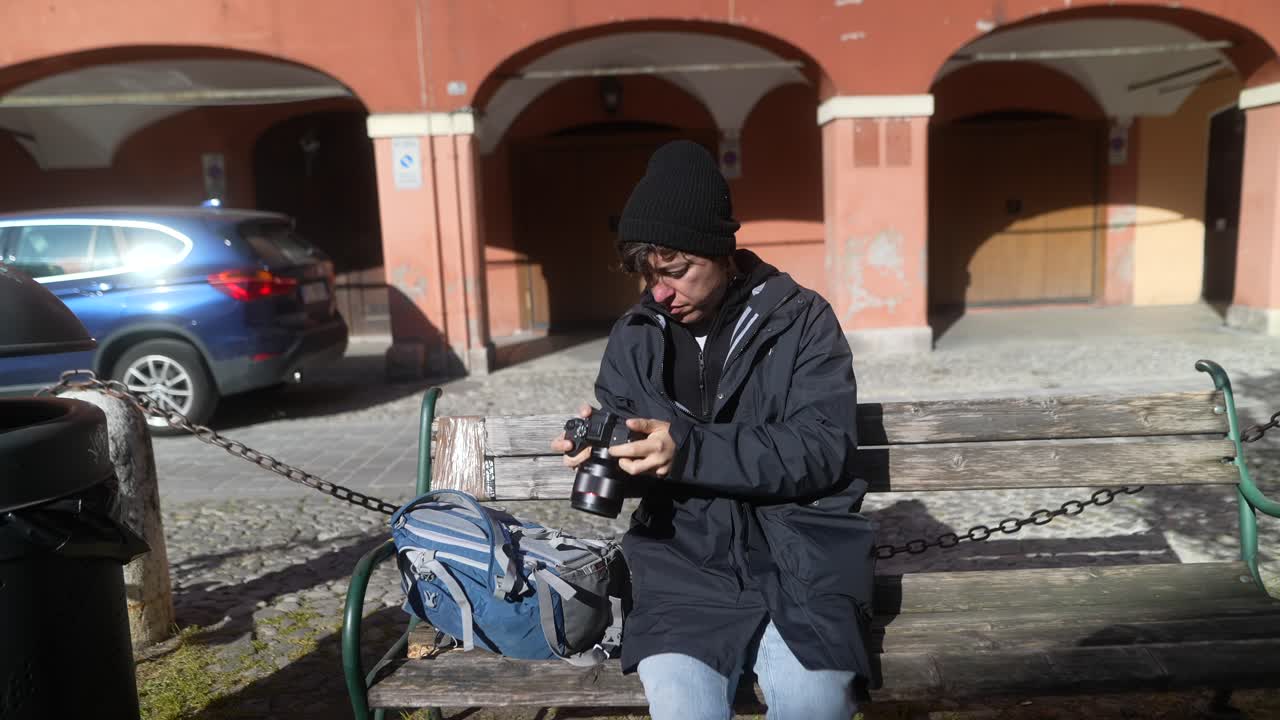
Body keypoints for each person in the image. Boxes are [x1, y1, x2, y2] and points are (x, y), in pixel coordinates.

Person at [551, 140, 873, 720]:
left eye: (677, 271)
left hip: (801, 562)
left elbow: (822, 450)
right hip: (682, 569)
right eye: (649, 276)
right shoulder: (636, 334)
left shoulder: (800, 321)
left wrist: (688, 452)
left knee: (815, 707)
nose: (661, 293)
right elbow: (634, 456)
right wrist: (605, 455)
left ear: (722, 253)